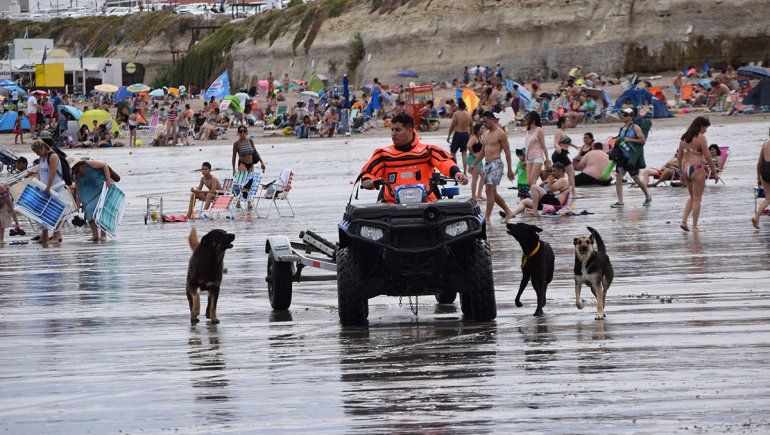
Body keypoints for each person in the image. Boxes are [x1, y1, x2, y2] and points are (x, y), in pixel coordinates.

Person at [359, 113, 467, 203]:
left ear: (410, 130)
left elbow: (444, 161)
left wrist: (456, 173)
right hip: (391, 204)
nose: (393, 134)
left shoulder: (428, 151)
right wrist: (367, 180)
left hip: (426, 203)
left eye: (397, 130)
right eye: (392, 130)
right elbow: (369, 171)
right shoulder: (383, 154)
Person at [469, 111, 515, 223]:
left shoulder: (501, 134)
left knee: (489, 190)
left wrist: (509, 169)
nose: (484, 124)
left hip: (496, 164)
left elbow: (508, 152)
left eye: (485, 121)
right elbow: (482, 152)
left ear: (492, 119)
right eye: (482, 122)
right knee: (491, 192)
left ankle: (487, 218)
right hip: (487, 164)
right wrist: (474, 164)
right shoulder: (485, 134)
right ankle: (508, 211)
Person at [677, 116, 719, 232]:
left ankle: (684, 221)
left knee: (692, 197)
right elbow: (707, 156)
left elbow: (679, 156)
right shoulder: (701, 138)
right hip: (697, 168)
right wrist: (714, 172)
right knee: (697, 199)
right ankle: (695, 226)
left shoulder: (684, 138)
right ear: (701, 126)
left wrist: (681, 173)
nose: (706, 130)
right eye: (705, 128)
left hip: (685, 168)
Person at [611, 108, 651, 208]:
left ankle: (648, 195)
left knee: (635, 179)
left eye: (625, 114)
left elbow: (642, 141)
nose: (622, 116)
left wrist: (630, 140)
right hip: (622, 157)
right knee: (619, 178)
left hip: (631, 158)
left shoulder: (635, 128)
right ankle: (620, 202)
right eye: (622, 114)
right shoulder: (622, 128)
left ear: (631, 116)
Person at [30, 139, 65, 244]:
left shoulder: (53, 156)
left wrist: (48, 188)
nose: (37, 154)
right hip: (45, 188)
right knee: (41, 212)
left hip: (55, 188)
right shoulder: (42, 157)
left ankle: (57, 236)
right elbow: (42, 172)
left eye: (37, 151)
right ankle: (44, 235)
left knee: (55, 212)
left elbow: (52, 173)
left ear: (43, 148)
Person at [72, 159, 113, 241]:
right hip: (89, 195)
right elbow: (78, 191)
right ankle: (95, 235)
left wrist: (108, 180)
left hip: (101, 190)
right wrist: (77, 206)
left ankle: (103, 234)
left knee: (100, 209)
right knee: (88, 210)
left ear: (79, 164)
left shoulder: (89, 164)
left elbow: (104, 165)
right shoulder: (75, 175)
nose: (75, 170)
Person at [522, 111, 550, 191]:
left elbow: (543, 146)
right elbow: (527, 146)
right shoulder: (528, 131)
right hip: (528, 158)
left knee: (532, 182)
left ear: (533, 120)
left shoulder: (539, 130)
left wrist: (547, 160)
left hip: (538, 157)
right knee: (529, 183)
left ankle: (537, 198)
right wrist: (524, 160)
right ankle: (541, 194)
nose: (526, 120)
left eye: (528, 118)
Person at [552, 116, 577, 199]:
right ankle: (573, 194)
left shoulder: (563, 132)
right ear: (562, 123)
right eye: (567, 121)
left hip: (561, 154)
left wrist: (573, 145)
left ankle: (559, 192)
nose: (569, 122)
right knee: (571, 173)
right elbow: (555, 142)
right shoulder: (559, 131)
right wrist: (557, 147)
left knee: (558, 175)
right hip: (560, 154)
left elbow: (564, 142)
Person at [447, 99, 473, 173]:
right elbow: (472, 126)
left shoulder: (456, 114)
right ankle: (465, 171)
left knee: (453, 152)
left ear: (458, 107)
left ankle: (456, 171)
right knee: (464, 153)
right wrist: (470, 135)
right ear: (465, 107)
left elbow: (452, 125)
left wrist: (449, 135)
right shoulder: (468, 115)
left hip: (458, 134)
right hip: (466, 134)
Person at [753, 130, 770, 229]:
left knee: (768, 198)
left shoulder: (766, 143)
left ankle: (756, 216)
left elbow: (759, 161)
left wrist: (758, 177)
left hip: (764, 169)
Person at [466, 122, 486, 201]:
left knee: (483, 177)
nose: (483, 130)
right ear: (477, 130)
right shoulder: (474, 137)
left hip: (478, 160)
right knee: (475, 178)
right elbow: (468, 146)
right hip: (473, 159)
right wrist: (473, 153)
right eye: (481, 128)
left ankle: (479, 194)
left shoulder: (480, 137)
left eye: (483, 128)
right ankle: (474, 197)